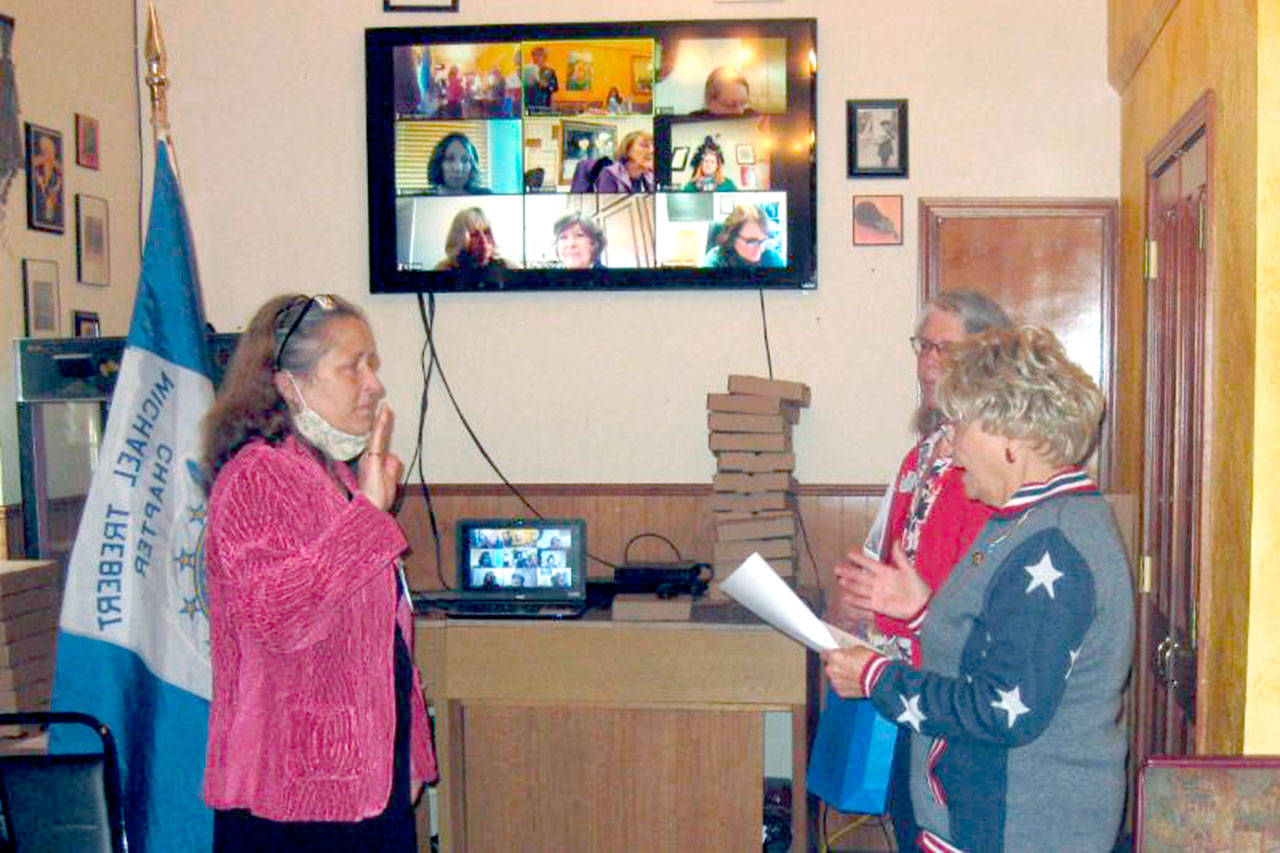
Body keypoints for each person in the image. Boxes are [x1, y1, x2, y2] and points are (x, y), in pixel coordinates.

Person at [823, 326, 1133, 852]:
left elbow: (1003, 708)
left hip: (1019, 831)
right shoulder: (1024, 522)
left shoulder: (1053, 542)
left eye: (960, 425)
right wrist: (922, 612)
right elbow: (1004, 648)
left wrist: (876, 677)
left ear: (1009, 437)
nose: (953, 447)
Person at [201, 294, 436, 850]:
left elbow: (379, 643)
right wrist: (371, 516)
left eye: (371, 364)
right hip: (294, 798)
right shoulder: (257, 476)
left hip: (362, 782)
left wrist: (409, 753)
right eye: (351, 366)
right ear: (288, 383)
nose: (373, 384)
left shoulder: (332, 474)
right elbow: (280, 618)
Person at [828, 290, 1011, 851]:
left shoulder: (995, 461)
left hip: (958, 693)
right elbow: (886, 554)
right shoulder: (923, 453)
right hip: (901, 685)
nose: (929, 362)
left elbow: (986, 589)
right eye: (923, 346)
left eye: (945, 348)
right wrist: (857, 599)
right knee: (913, 829)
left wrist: (909, 603)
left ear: (987, 358)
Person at [701, 204, 783, 268]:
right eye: (752, 241)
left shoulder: (773, 259)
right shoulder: (715, 261)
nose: (760, 248)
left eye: (763, 241)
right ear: (732, 238)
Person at [434, 207, 510, 271]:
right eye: (474, 234)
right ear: (459, 239)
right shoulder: (443, 270)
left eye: (486, 232)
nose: (483, 240)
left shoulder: (508, 267)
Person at [524, 46, 558, 114]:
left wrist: (540, 81)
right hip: (529, 106)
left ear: (545, 57)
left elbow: (553, 89)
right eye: (534, 55)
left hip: (544, 107)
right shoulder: (527, 70)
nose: (535, 58)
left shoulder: (550, 71)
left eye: (538, 56)